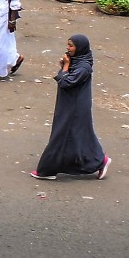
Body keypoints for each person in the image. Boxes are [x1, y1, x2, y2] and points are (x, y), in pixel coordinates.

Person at [31, 35, 109, 180]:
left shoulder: (84, 67)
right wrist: (64, 66)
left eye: (71, 46)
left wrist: (65, 67)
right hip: (69, 104)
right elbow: (65, 78)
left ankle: (47, 170)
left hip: (75, 108)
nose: (68, 48)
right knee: (78, 136)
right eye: (68, 45)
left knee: (61, 135)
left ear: (80, 48)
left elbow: (66, 82)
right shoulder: (77, 62)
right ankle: (99, 159)